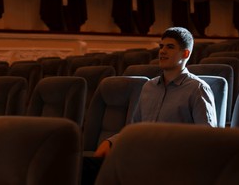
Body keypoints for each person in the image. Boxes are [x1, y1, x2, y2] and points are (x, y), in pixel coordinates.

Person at [82, 27, 217, 184]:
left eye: (170, 47)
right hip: (141, 157)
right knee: (83, 167)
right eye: (161, 46)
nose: (162, 51)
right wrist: (111, 142)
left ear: (185, 53)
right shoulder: (149, 87)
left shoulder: (197, 88)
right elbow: (136, 129)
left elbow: (208, 140)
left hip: (171, 164)